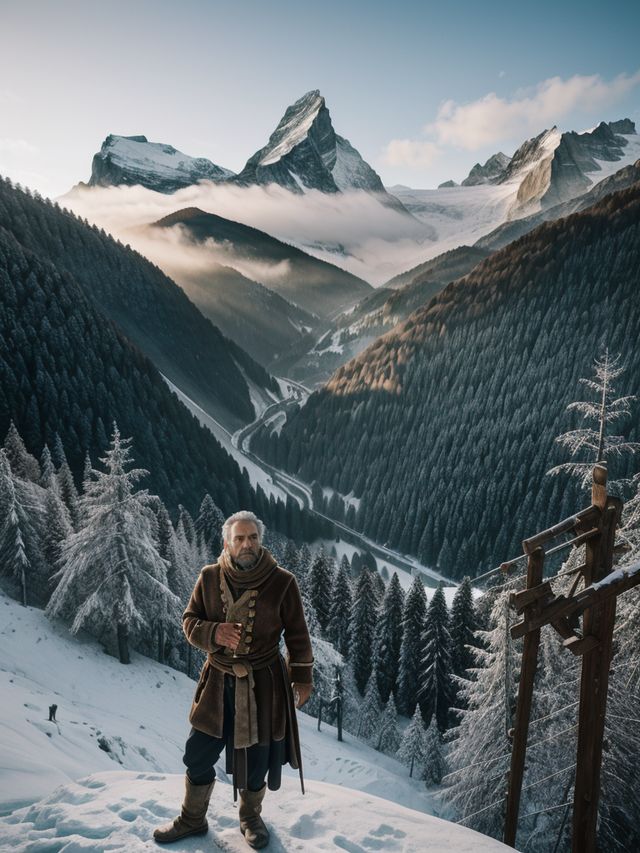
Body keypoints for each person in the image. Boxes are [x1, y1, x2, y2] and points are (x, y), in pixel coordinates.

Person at [154, 510, 313, 850]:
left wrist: (301, 678)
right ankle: (192, 818)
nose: (246, 544)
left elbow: (298, 635)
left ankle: (251, 818)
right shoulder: (209, 577)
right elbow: (189, 621)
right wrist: (214, 632)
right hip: (217, 683)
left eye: (252, 537)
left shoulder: (283, 582)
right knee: (197, 753)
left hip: (264, 684)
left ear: (261, 541)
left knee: (257, 758)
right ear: (227, 542)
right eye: (239, 538)